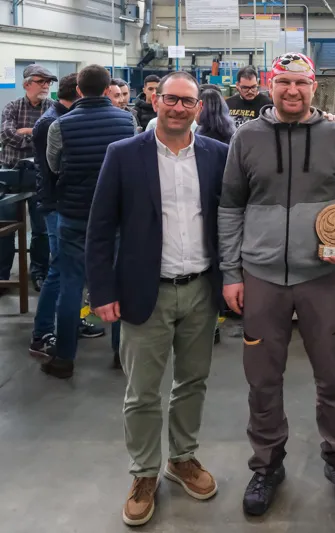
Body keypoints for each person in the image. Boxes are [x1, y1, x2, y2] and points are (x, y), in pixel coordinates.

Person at [218, 52, 335, 516]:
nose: (292, 91)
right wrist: (231, 272)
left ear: (313, 87)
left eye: (301, 84)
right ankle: (266, 464)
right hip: (261, 275)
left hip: (322, 276)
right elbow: (229, 206)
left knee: (333, 377)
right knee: (263, 380)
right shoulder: (246, 137)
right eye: (284, 83)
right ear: (271, 84)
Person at [86, 71, 228, 527]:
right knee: (143, 392)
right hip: (144, 291)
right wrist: (102, 292)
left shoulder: (217, 155)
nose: (179, 108)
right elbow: (101, 228)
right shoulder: (125, 154)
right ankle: (144, 472)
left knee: (193, 382)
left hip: (201, 290)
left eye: (188, 102)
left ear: (198, 109)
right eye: (171, 99)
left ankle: (182, 458)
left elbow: (230, 221)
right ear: (155, 101)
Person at [43, 64, 137, 379]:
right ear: (108, 89)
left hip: (74, 214)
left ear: (79, 90)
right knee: (117, 282)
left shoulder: (61, 125)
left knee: (70, 284)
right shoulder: (127, 121)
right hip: (115, 217)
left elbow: (54, 167)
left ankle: (64, 358)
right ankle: (120, 355)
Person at [28, 73, 79, 361]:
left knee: (70, 268)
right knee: (59, 268)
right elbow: (54, 170)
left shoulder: (63, 118)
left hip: (62, 203)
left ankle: (68, 322)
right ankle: (42, 333)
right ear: (81, 93)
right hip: (55, 205)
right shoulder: (52, 122)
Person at [0, 64, 55, 293]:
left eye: (48, 82)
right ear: (26, 84)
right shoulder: (12, 107)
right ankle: (2, 275)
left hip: (40, 176)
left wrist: (26, 132)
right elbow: (5, 133)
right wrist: (35, 136)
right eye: (41, 81)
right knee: (6, 228)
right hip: (11, 174)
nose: (46, 86)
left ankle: (39, 273)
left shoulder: (52, 107)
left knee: (41, 229)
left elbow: (53, 136)